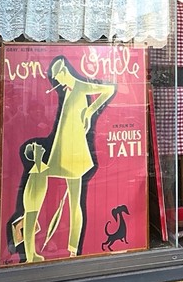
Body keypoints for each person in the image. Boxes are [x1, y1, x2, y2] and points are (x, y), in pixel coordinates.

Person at [21, 56, 115, 262]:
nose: (57, 82)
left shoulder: (80, 87)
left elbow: (108, 89)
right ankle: (57, 248)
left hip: (73, 151)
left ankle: (72, 249)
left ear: (64, 71)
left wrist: (89, 112)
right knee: (69, 198)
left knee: (74, 201)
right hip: (63, 149)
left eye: (58, 77)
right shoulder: (71, 90)